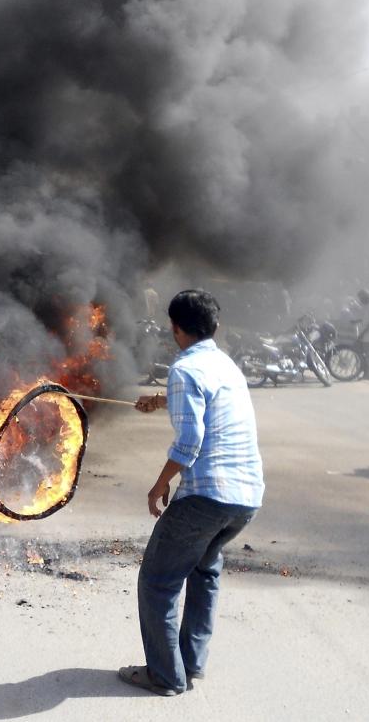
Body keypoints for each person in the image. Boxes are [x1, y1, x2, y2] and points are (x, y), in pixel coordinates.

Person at [118, 289, 264, 697]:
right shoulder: (226, 365)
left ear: (175, 328)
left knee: (158, 581)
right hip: (246, 497)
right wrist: (160, 401)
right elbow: (206, 402)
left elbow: (191, 440)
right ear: (214, 326)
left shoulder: (183, 369)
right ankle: (191, 663)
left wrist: (161, 482)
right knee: (204, 569)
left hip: (206, 496)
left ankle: (165, 675)